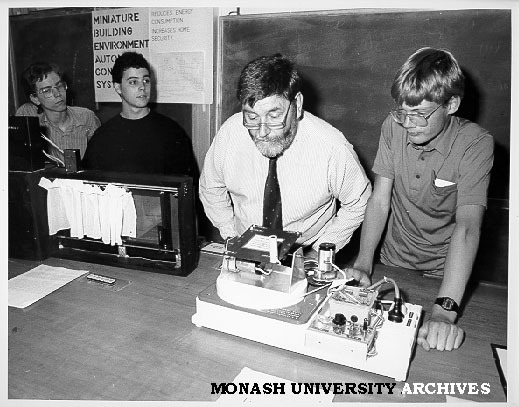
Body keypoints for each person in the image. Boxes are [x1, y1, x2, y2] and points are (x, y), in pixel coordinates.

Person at [350, 47, 494, 352]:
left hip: (444, 273)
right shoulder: (393, 126)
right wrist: (363, 264)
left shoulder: (476, 143)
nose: (408, 123)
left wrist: (443, 310)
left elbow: (467, 227)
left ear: (451, 104)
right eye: (403, 112)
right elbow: (379, 200)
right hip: (393, 261)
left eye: (419, 114)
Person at [199, 53, 371, 257]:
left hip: (306, 251)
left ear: (296, 104)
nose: (262, 132)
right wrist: (231, 235)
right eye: (252, 117)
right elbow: (211, 188)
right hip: (245, 245)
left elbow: (359, 201)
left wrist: (322, 250)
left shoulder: (332, 147)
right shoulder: (230, 134)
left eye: (274, 116)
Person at [82, 51, 197, 178]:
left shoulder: (172, 132)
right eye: (133, 82)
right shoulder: (103, 137)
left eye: (146, 80)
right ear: (118, 87)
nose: (142, 87)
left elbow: (188, 187)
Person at [16, 62, 101, 166]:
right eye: (47, 91)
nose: (58, 94)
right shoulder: (27, 114)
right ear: (35, 98)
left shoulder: (86, 117)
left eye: (59, 85)